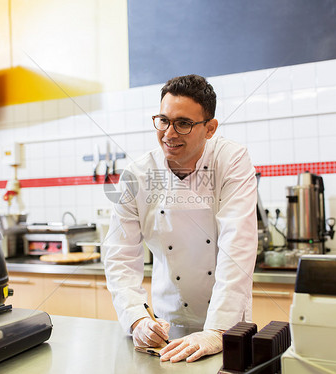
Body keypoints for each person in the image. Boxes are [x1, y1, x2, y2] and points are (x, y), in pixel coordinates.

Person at [103, 74, 258, 363]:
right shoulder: (137, 175)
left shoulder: (232, 160)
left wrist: (216, 330)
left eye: (183, 124)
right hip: (166, 327)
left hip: (227, 326)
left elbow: (239, 244)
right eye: (163, 120)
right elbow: (120, 255)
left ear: (210, 128)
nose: (169, 133)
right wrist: (137, 319)